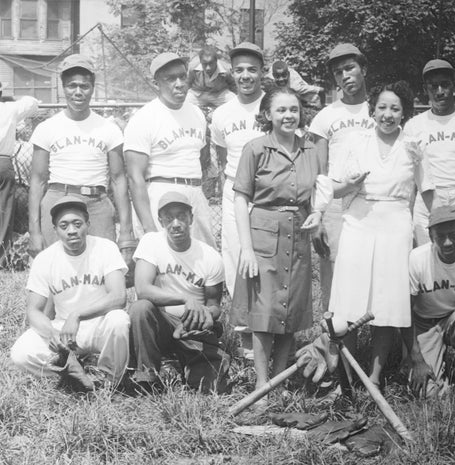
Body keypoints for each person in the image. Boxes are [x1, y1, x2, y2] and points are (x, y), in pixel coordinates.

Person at [328, 82, 434, 389]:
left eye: (395, 108)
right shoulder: (355, 141)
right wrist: (350, 183)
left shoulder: (413, 147)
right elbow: (335, 188)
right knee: (349, 301)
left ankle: (374, 377)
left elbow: (428, 192)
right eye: (382, 107)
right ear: (372, 109)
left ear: (405, 112)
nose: (388, 115)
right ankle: (345, 377)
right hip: (359, 222)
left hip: (396, 225)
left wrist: (441, 227)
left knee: (387, 301)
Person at [231, 86, 331, 397]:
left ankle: (279, 382)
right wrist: (246, 248)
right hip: (263, 235)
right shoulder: (256, 149)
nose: (289, 115)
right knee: (264, 314)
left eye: (294, 110)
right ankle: (262, 386)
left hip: (298, 233)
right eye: (281, 110)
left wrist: (317, 213)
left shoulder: (311, 148)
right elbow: (239, 198)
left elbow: (322, 187)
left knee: (290, 312)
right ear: (267, 115)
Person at [11, 196, 130, 390]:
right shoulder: (45, 259)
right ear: (56, 229)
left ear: (88, 224)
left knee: (119, 320)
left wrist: (77, 315)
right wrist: (52, 336)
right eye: (64, 226)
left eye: (77, 224)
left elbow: (118, 297)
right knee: (20, 353)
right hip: (64, 332)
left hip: (100, 324)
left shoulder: (105, 248)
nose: (72, 231)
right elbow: (33, 311)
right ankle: (70, 369)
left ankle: (108, 378)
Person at [28, 55, 135, 267]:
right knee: (55, 269)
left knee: (102, 268)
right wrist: (34, 231)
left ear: (93, 88)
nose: (78, 92)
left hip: (96, 202)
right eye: (72, 86)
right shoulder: (47, 128)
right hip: (58, 199)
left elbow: (118, 180)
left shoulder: (108, 128)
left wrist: (126, 230)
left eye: (84, 86)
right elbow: (37, 181)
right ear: (63, 88)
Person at [128, 192, 229, 393]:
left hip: (193, 326)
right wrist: (185, 298)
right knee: (140, 308)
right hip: (162, 324)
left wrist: (207, 316)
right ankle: (147, 378)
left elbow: (214, 304)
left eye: (181, 216)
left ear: (191, 218)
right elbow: (142, 289)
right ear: (160, 220)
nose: (176, 223)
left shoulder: (210, 257)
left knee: (211, 388)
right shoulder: (151, 242)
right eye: (169, 217)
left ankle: (191, 365)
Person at [308, 43, 375, 312]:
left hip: (372, 201)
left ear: (364, 69)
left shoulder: (380, 110)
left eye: (350, 68)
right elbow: (318, 172)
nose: (344, 76)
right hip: (336, 203)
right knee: (334, 274)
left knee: (370, 270)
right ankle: (334, 342)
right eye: (338, 72)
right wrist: (318, 217)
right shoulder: (326, 116)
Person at [124, 52, 215, 248]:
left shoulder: (197, 113)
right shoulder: (144, 118)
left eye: (183, 76)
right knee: (164, 265)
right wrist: (149, 227)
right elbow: (134, 178)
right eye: (170, 78)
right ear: (157, 82)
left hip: (195, 193)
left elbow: (201, 160)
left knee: (203, 260)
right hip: (161, 193)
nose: (179, 83)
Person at [404, 59, 455, 246]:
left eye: (445, 84)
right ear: (425, 89)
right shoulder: (413, 126)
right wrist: (408, 220)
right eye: (433, 86)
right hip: (427, 200)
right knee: (426, 259)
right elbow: (410, 180)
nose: (440, 91)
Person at [404, 206, 455, 397]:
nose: (447, 243)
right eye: (440, 236)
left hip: (454, 321)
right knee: (426, 394)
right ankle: (439, 372)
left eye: (453, 235)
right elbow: (405, 311)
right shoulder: (418, 258)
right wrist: (415, 356)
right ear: (431, 237)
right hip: (424, 324)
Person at [210, 42, 266, 295]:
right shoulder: (222, 113)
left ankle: (271, 325)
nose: (245, 76)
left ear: (262, 72)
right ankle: (243, 327)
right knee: (235, 255)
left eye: (252, 69)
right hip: (235, 190)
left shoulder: (273, 105)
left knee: (267, 257)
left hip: (268, 191)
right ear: (232, 73)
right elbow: (222, 155)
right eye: (239, 70)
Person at [0, 81, 38, 266]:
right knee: (4, 210)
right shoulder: (9, 109)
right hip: (2, 160)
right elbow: (32, 102)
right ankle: (2, 257)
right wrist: (11, 100)